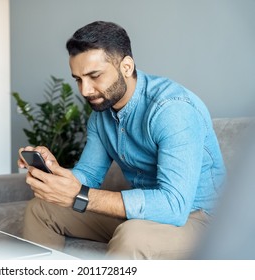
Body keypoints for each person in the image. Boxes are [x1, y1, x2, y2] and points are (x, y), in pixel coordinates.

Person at [17, 21, 226, 259]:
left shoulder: (172, 110)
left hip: (201, 219)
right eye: (78, 79)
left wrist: (81, 195)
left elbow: (173, 206)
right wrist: (54, 172)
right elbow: (89, 175)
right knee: (41, 209)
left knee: (133, 236)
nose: (85, 90)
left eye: (94, 76)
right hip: (143, 215)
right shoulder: (101, 114)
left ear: (126, 66)